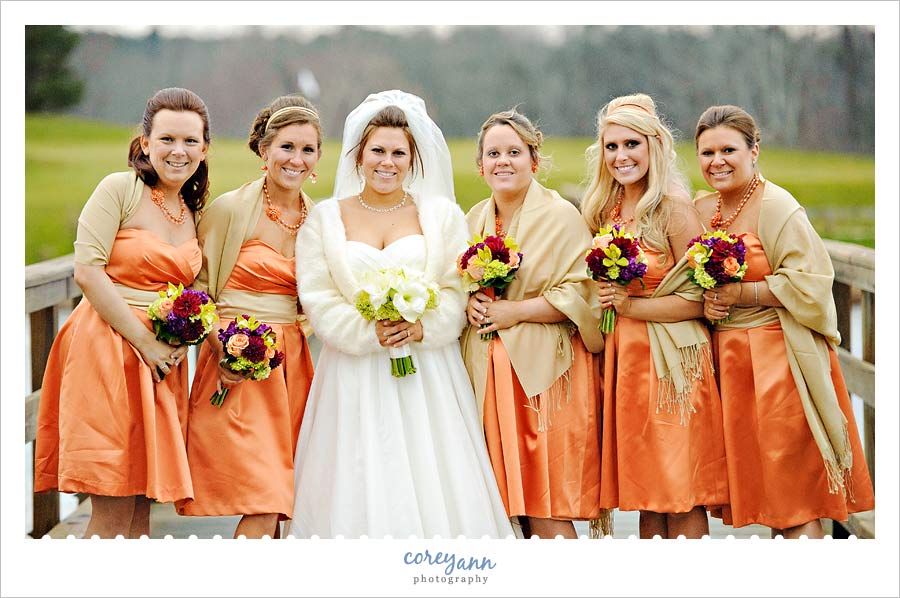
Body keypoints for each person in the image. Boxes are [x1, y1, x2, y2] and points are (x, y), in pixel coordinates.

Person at [288, 90, 512, 539]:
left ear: (413, 159)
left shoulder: (442, 216)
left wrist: (420, 326)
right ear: (358, 156)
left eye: (398, 153)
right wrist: (372, 332)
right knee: (359, 472)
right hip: (354, 372)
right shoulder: (326, 220)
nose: (386, 162)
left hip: (427, 372)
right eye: (377, 151)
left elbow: (454, 289)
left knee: (435, 476)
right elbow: (317, 294)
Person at [33, 87, 210, 538]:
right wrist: (145, 342)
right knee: (111, 511)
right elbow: (88, 273)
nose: (179, 151)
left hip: (161, 362)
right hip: (108, 350)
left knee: (140, 511)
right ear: (146, 142)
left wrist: (180, 335)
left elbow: (196, 287)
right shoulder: (120, 189)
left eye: (191, 141)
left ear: (205, 148)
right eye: (168, 138)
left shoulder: (191, 208)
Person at [695, 105, 875, 538]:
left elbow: (813, 284)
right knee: (772, 499)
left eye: (728, 149)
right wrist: (708, 304)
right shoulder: (702, 210)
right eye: (706, 152)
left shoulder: (779, 206)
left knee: (795, 499)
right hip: (731, 366)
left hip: (782, 365)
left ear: (754, 150)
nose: (717, 161)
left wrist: (744, 293)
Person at [581, 93, 729, 539]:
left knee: (679, 491)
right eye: (612, 146)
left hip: (675, 365)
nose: (621, 156)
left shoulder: (674, 210)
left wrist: (631, 306)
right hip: (627, 364)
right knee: (649, 495)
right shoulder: (604, 211)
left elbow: (704, 301)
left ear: (654, 147)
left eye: (632, 144)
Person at [175, 95, 319, 539]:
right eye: (287, 147)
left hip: (294, 364)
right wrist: (225, 349)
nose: (296, 159)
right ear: (263, 150)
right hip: (238, 363)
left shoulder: (319, 220)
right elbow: (197, 291)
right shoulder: (229, 210)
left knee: (283, 502)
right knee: (266, 497)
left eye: (308, 149)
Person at [461, 108, 605, 540]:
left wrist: (515, 312)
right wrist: (469, 301)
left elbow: (582, 294)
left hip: (545, 378)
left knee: (545, 503)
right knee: (508, 509)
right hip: (487, 377)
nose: (503, 161)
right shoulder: (472, 219)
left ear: (533, 161)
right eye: (493, 153)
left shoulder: (562, 217)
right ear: (480, 165)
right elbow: (457, 280)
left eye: (514, 152)